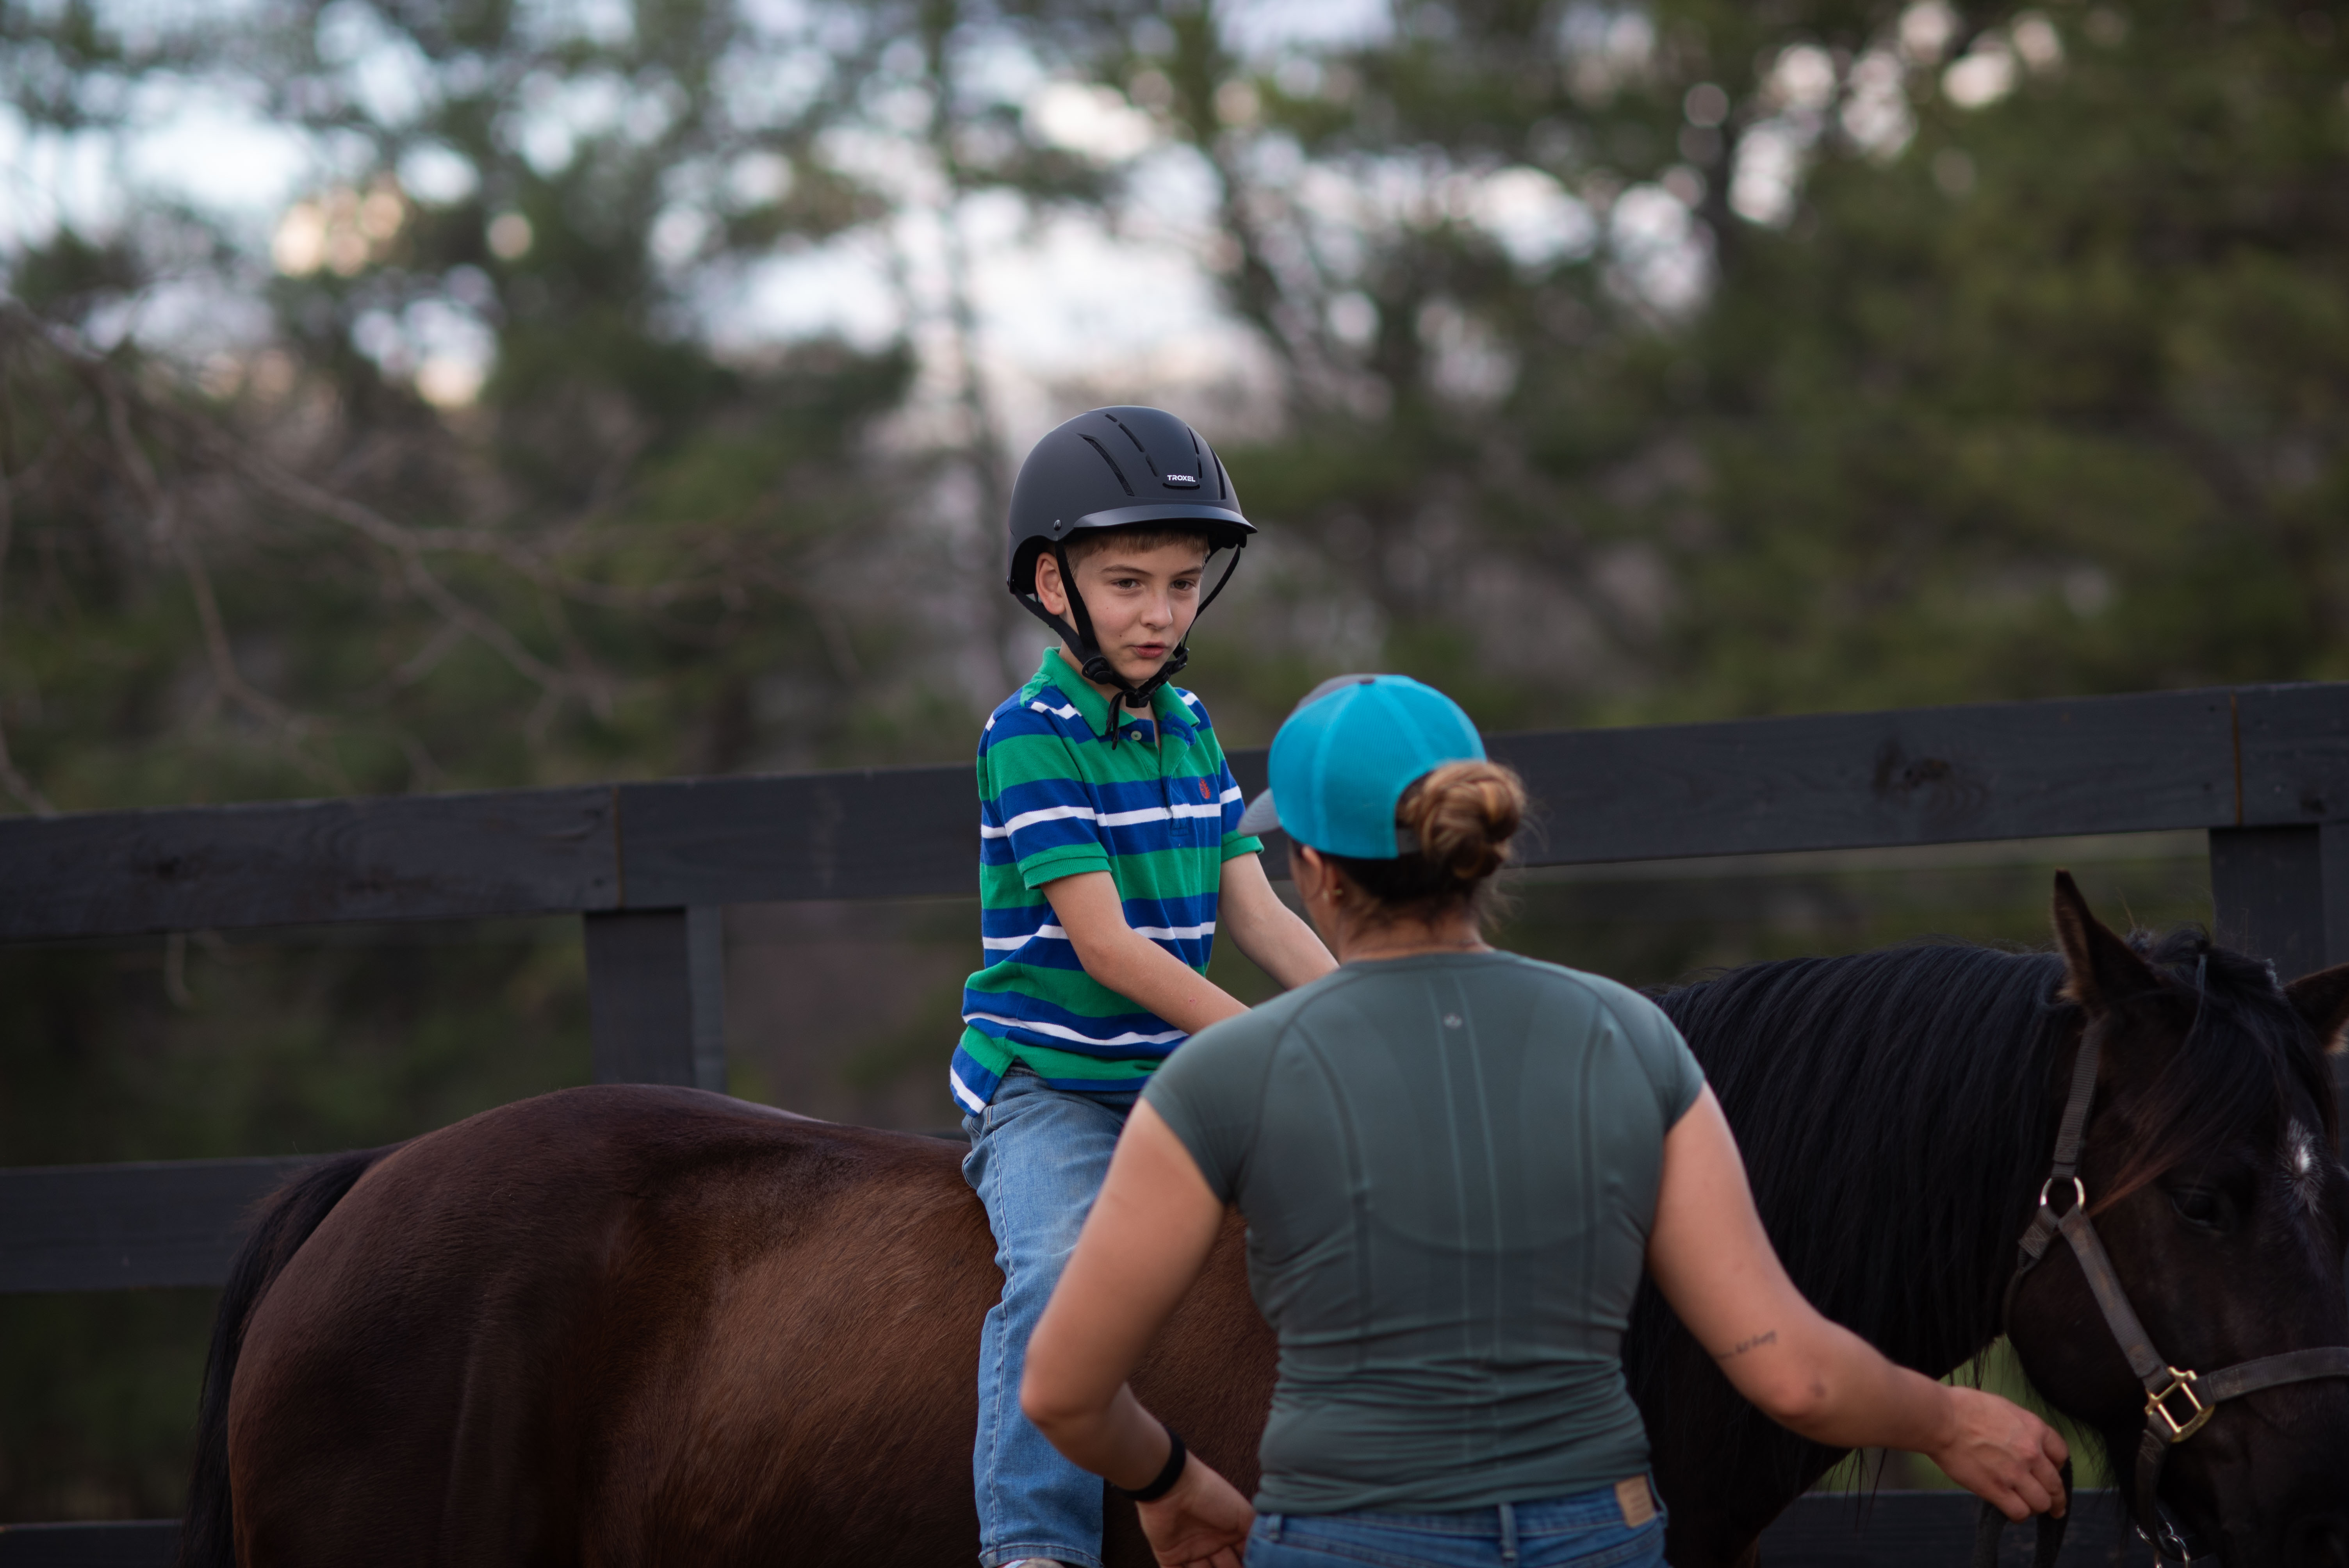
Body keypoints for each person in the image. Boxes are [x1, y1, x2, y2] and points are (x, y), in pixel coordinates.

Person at [1019, 675, 2070, 1568]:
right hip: (1599, 1536)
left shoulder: (1227, 1076)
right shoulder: (1631, 1038)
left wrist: (1173, 1483)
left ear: (1314, 870)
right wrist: (1951, 1420)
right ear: (1479, 848)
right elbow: (1792, 1372)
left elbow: (1063, 1390)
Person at [954, 406, 1340, 1568]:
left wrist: (1364, 1019)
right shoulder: (1028, 737)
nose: (1160, 613)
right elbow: (1111, 950)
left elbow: (1257, 907)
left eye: (1182, 583)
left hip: (1180, 1074)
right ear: (1050, 585)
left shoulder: (1189, 725)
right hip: (1056, 1086)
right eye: (1127, 583)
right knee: (1063, 1271)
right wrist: (1269, 1046)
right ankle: (1035, 1544)